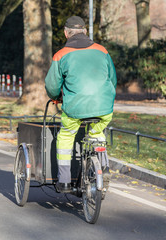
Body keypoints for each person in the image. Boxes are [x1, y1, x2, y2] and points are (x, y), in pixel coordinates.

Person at [44, 16, 117, 193]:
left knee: (66, 135)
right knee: (97, 133)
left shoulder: (60, 55)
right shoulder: (102, 50)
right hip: (105, 107)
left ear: (66, 33)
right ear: (85, 31)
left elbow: (52, 86)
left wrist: (56, 97)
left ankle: (65, 181)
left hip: (75, 109)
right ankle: (103, 167)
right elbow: (113, 79)